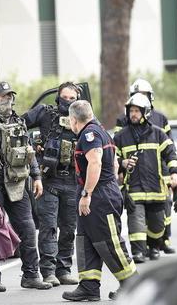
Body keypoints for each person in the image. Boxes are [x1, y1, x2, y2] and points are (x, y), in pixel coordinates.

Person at [0, 81, 52, 292]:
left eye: (9, 95)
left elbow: (29, 150)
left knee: (27, 228)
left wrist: (36, 177)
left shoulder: (19, 122)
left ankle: (31, 275)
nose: (7, 99)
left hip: (17, 183)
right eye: (2, 96)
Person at [62, 100, 137, 302]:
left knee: (109, 242)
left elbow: (95, 162)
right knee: (86, 241)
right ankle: (88, 286)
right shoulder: (101, 131)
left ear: (73, 120)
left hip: (99, 196)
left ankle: (133, 286)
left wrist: (87, 194)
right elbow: (112, 164)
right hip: (101, 191)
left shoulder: (89, 134)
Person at [22, 82, 81, 287]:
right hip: (48, 180)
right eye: (64, 97)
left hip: (72, 181)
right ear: (58, 98)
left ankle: (63, 270)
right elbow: (19, 127)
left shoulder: (83, 119)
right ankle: (48, 271)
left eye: (72, 98)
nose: (68, 102)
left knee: (68, 228)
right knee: (48, 227)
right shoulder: (44, 113)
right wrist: (31, 150)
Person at [113, 93, 177, 263]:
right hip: (134, 190)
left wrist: (174, 173)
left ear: (146, 112)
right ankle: (138, 252)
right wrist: (123, 163)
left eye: (137, 111)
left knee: (158, 225)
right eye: (131, 111)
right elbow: (111, 159)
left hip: (156, 190)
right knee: (136, 223)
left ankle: (154, 246)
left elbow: (171, 154)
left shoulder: (158, 134)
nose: (133, 114)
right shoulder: (121, 136)